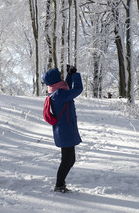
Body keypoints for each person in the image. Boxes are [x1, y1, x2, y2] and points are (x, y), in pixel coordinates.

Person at [42, 64, 83, 193]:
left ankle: (60, 184)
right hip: (65, 131)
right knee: (67, 160)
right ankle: (59, 185)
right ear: (55, 80)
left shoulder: (57, 92)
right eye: (59, 76)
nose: (61, 77)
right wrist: (76, 75)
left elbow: (67, 88)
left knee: (70, 160)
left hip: (65, 129)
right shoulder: (58, 95)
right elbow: (77, 90)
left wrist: (69, 75)